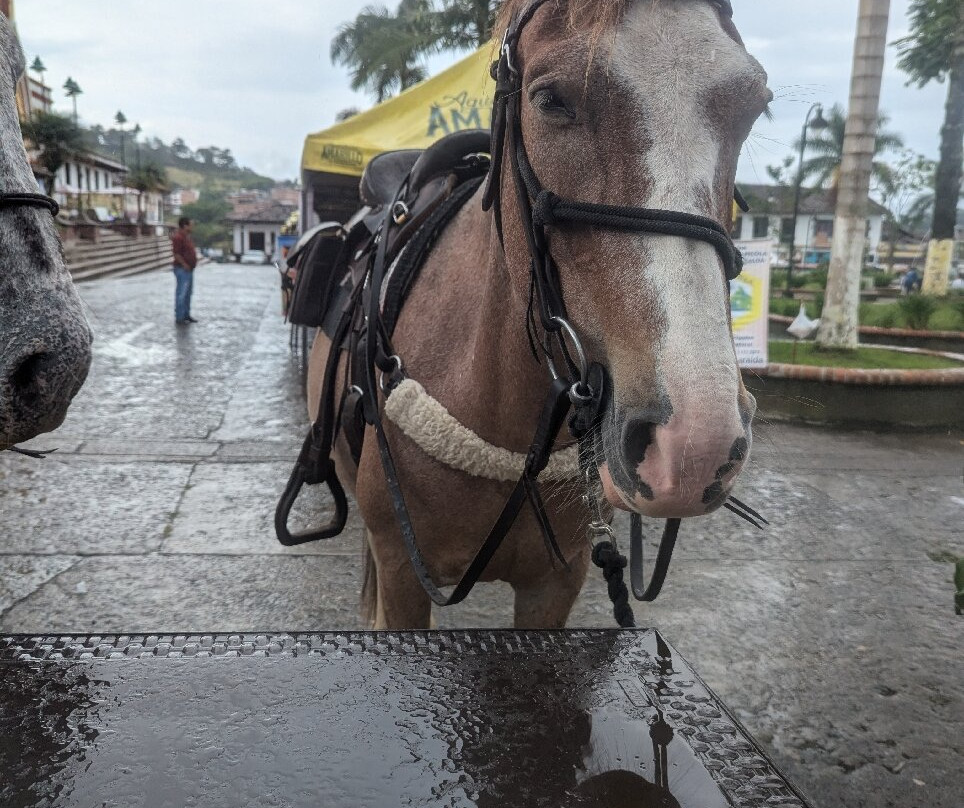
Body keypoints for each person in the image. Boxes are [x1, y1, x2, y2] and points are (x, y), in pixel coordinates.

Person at [171, 217, 198, 324]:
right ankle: (180, 316)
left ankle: (186, 314)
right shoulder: (178, 237)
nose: (192, 227)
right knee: (181, 293)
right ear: (185, 225)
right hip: (182, 269)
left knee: (188, 293)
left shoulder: (187, 237)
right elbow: (176, 253)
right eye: (190, 224)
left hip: (189, 268)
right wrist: (184, 264)